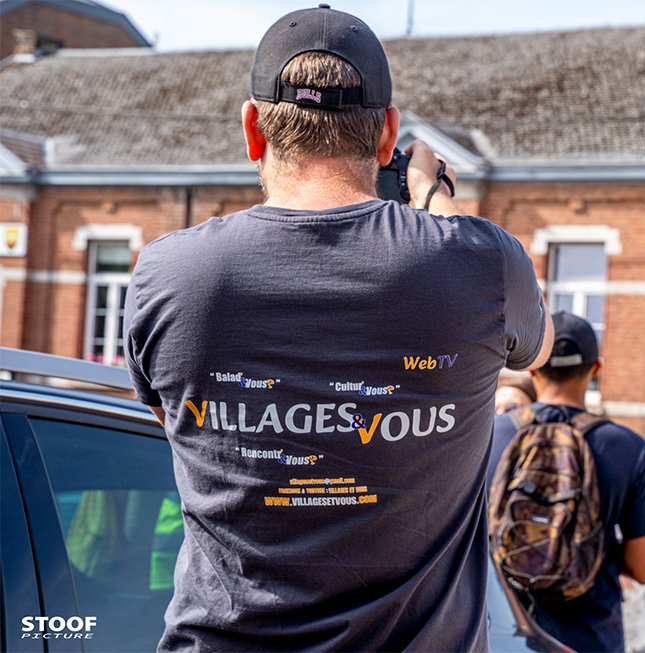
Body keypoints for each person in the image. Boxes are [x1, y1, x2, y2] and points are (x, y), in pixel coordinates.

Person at [123, 6, 553, 651]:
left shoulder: (169, 272)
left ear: (253, 130)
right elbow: (538, 348)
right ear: (387, 135)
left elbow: (180, 426)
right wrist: (435, 201)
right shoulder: (481, 262)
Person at [488, 311, 645, 653]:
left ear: (532, 369)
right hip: (589, 636)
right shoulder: (628, 448)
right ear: (596, 369)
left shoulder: (491, 436)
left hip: (501, 631)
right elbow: (644, 568)